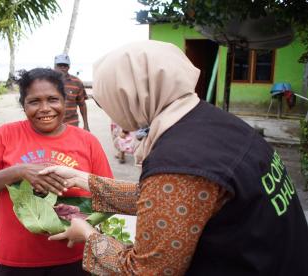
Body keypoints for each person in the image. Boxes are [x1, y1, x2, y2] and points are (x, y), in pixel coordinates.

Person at [40, 41, 308, 275]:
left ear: (131, 94)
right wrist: (85, 180)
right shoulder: (215, 120)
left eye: (106, 99)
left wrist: (88, 236)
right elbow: (170, 202)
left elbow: (147, 271)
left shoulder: (179, 162)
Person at [0, 68, 113, 275]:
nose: (45, 108)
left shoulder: (87, 141)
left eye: (53, 99)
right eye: (34, 101)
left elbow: (109, 196)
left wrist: (76, 214)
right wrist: (19, 171)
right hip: (16, 259)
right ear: (23, 105)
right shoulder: (6, 135)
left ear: (64, 101)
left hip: (74, 256)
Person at [54, 54, 90, 131]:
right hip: (52, 124)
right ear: (55, 66)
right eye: (60, 65)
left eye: (65, 65)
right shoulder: (48, 81)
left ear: (69, 67)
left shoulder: (77, 82)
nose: (62, 68)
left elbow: (82, 105)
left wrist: (86, 125)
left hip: (71, 124)